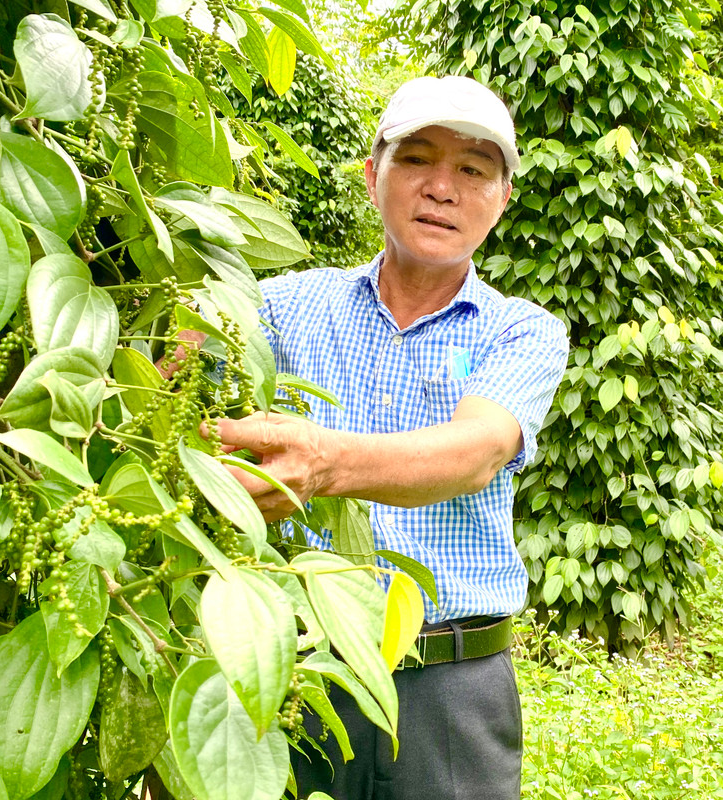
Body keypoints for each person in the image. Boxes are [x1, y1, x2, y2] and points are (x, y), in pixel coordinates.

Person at [209, 76, 570, 800]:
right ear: (374, 177)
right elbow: (173, 392)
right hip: (293, 671)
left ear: (501, 198)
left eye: (473, 170)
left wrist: (323, 463)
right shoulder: (276, 307)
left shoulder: (522, 330)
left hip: (451, 695)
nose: (443, 187)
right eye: (417, 159)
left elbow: (478, 452)